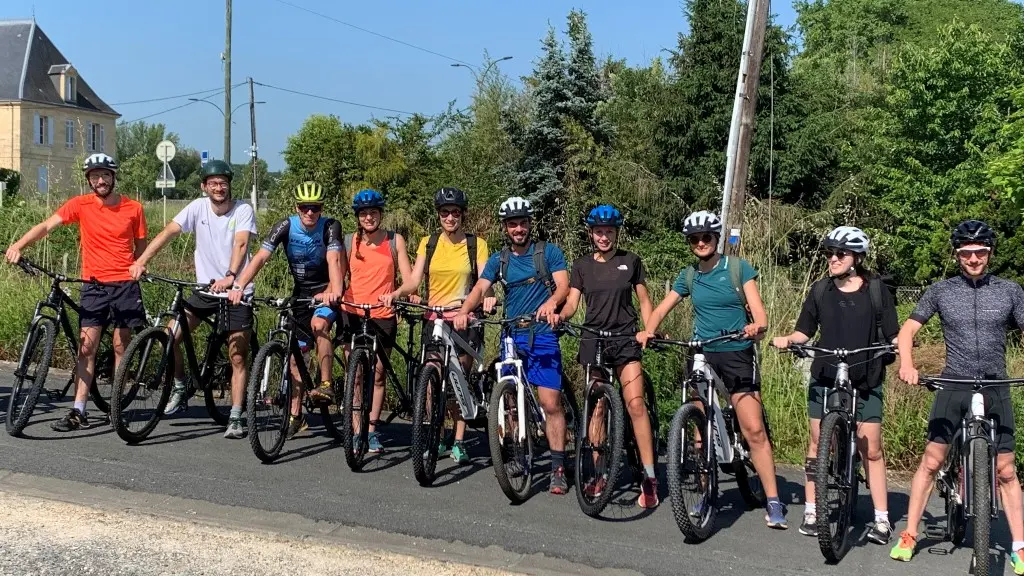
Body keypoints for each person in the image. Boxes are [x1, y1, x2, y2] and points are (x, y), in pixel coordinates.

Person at [636, 210, 786, 528]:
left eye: (706, 237)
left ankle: (773, 500)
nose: (701, 243)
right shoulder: (689, 275)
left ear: (716, 239)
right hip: (701, 352)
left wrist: (757, 326)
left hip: (735, 352)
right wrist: (648, 330)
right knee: (699, 427)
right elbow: (662, 307)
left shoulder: (737, 268)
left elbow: (759, 313)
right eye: (694, 239)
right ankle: (707, 494)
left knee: (753, 429)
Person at [889, 219, 1024, 573]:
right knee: (932, 461)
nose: (974, 259)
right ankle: (911, 533)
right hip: (955, 382)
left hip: (996, 383)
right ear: (957, 255)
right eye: (967, 253)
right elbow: (907, 332)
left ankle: (1019, 546)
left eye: (980, 252)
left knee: (1007, 470)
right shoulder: (941, 291)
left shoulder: (1010, 291)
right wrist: (908, 363)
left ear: (990, 253)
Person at [771, 226, 898, 542]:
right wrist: (789, 340)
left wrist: (898, 347)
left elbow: (894, 334)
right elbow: (804, 331)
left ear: (857, 257)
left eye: (840, 253)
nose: (833, 258)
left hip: (866, 376)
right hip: (826, 374)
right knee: (817, 443)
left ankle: (882, 519)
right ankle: (813, 510)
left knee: (872, 447)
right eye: (830, 253)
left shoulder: (876, 291)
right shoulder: (820, 290)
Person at [5, 153, 148, 432]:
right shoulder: (80, 205)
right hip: (93, 285)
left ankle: (116, 406)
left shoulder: (134, 208)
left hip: (124, 284)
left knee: (121, 346)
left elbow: (141, 245)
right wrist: (18, 245)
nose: (100, 180)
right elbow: (47, 225)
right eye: (95, 176)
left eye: (105, 175)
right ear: (88, 180)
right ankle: (78, 410)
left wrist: (139, 266)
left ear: (113, 177)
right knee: (86, 348)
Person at [129, 160, 257, 439]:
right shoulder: (197, 207)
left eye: (223, 182)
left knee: (237, 355)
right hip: (205, 290)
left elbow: (242, 243)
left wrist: (231, 275)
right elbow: (168, 233)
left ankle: (235, 416)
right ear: (204, 187)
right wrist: (141, 261)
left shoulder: (242, 209)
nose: (219, 187)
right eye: (213, 183)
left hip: (236, 291)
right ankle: (179, 386)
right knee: (170, 335)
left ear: (229, 185)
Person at [453, 196, 571, 494]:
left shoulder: (548, 253)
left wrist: (552, 303)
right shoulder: (499, 259)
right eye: (512, 224)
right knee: (509, 403)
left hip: (542, 333)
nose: (518, 229)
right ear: (505, 227)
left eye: (522, 223)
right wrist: (466, 310)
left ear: (530, 223)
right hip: (511, 335)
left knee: (550, 403)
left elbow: (564, 286)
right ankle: (518, 456)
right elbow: (480, 288)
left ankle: (557, 466)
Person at [550, 204, 658, 508]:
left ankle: (649, 478)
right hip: (594, 339)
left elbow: (645, 300)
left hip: (625, 338)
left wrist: (648, 329)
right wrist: (560, 315)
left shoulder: (631, 261)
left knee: (635, 404)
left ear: (616, 233)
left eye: (609, 231)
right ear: (591, 233)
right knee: (596, 408)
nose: (604, 237)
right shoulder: (582, 265)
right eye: (599, 231)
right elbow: (573, 303)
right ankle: (598, 472)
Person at [383, 187, 495, 463]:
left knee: (458, 382)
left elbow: (483, 281)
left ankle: (458, 440)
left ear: (462, 215)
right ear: (439, 216)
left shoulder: (476, 244)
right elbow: (414, 280)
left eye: (455, 213)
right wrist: (398, 293)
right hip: (434, 319)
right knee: (432, 380)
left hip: (463, 318)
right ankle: (433, 434)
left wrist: (489, 298)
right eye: (445, 213)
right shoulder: (428, 243)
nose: (450, 218)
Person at [229, 181, 345, 439]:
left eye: (315, 208)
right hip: (301, 294)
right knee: (295, 358)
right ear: (297, 207)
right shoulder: (285, 226)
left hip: (327, 290)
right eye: (305, 208)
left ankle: (326, 384)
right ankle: (296, 414)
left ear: (321, 208)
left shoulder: (330, 226)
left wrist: (334, 289)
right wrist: (239, 285)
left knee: (319, 325)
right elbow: (259, 258)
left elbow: (335, 260)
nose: (310, 213)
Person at [338, 189, 412, 454]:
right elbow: (339, 276)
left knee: (378, 374)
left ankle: (372, 431)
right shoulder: (348, 242)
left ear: (381, 214)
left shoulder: (394, 240)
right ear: (358, 217)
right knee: (355, 375)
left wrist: (401, 293)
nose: (369, 217)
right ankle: (357, 430)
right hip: (353, 310)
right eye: (363, 214)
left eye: (373, 212)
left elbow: (408, 277)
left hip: (383, 313)